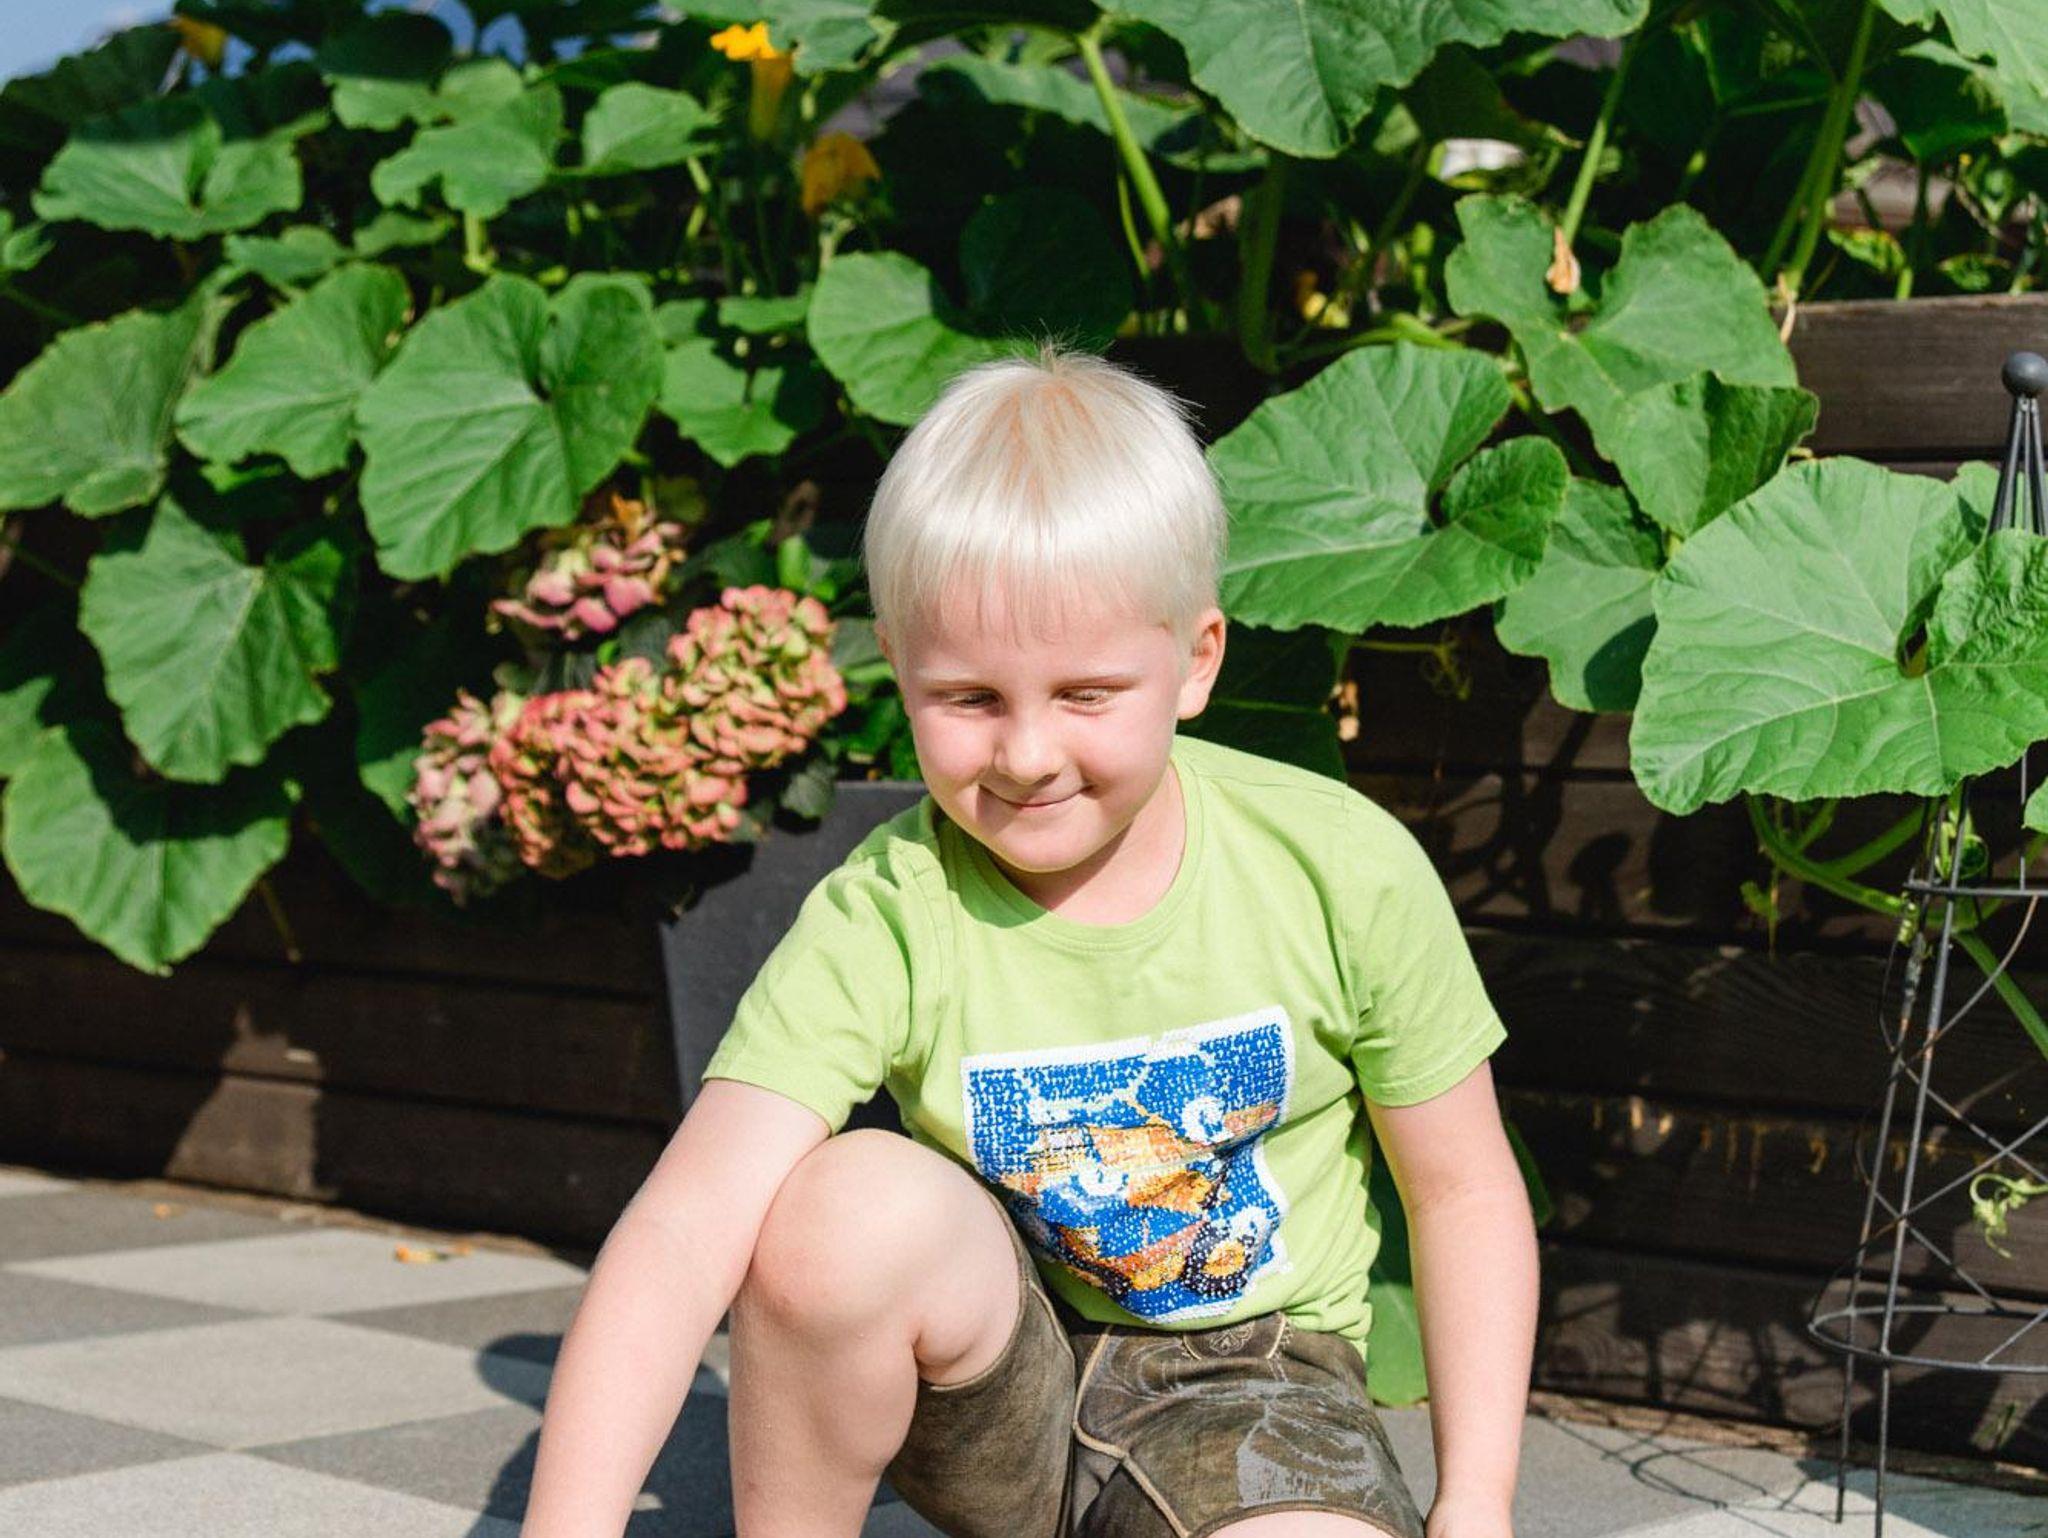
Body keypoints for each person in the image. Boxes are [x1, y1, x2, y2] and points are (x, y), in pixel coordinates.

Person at [519, 340, 1538, 1538]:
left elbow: (1461, 1188)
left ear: (1194, 661)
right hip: (1003, 1388)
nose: (1027, 754)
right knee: (838, 1205)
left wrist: (1477, 1501)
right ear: (897, 668)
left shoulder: (1337, 865)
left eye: (1086, 693)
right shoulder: (889, 908)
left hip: (1257, 1388)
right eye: (969, 698)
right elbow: (684, 1225)